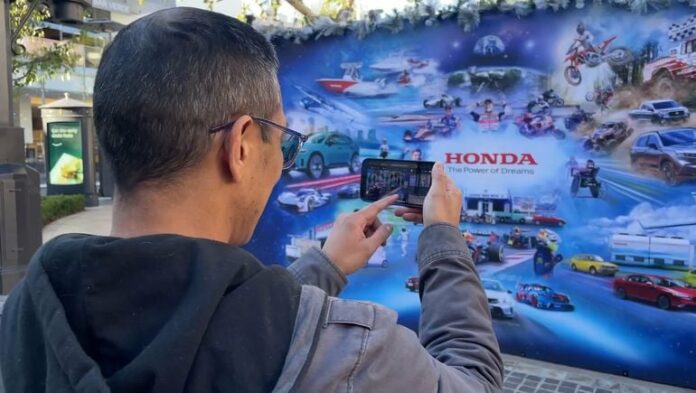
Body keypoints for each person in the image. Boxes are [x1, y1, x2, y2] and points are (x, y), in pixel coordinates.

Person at [0, 8, 503, 393]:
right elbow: (474, 381)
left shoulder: (27, 312)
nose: (283, 160)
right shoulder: (353, 350)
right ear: (240, 146)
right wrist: (443, 238)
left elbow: (210, 323)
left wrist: (324, 266)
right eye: (282, 141)